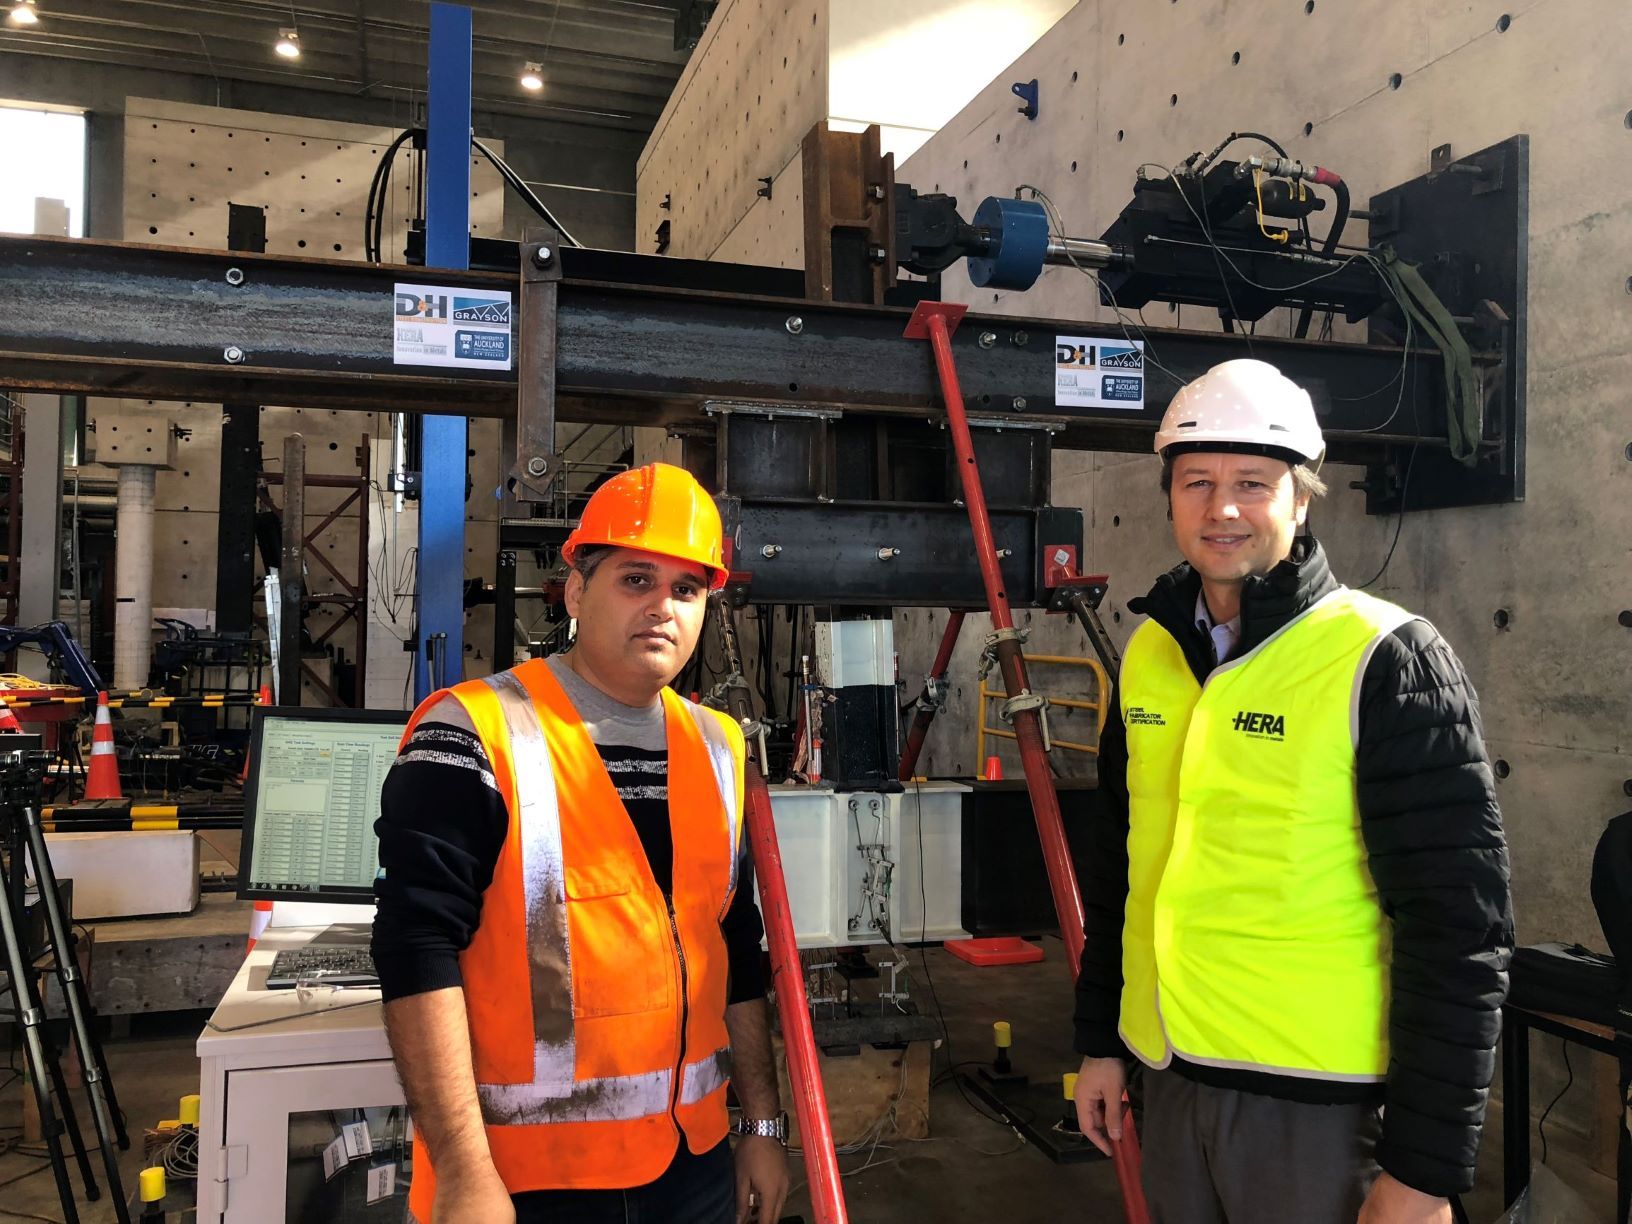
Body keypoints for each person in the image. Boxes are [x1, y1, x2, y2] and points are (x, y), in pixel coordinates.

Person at [1071, 360, 1513, 1223]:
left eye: (1252, 483)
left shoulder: (1387, 659)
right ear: (1169, 497)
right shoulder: (1152, 657)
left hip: (1321, 1110)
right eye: (1196, 482)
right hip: (1171, 1081)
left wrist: (1424, 1172)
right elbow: (1126, 872)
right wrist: (1101, 1043)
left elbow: (1460, 928)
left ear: (1303, 499)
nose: (1221, 509)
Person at [373, 463, 791, 1224]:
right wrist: (465, 1173)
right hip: (527, 1180)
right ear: (574, 592)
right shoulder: (472, 732)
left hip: (690, 1165)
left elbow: (734, 942)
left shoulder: (720, 746)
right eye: (636, 580)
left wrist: (761, 1124)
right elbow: (415, 950)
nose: (663, 608)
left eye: (687, 590)